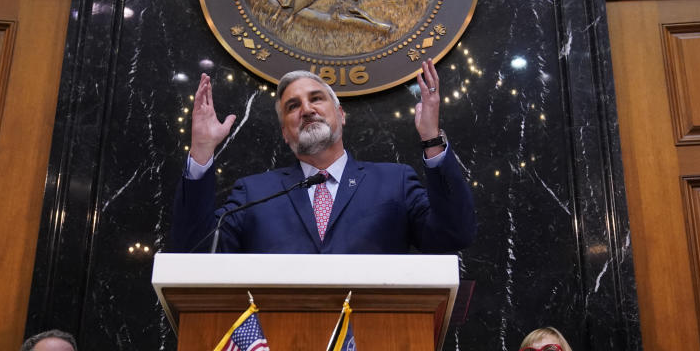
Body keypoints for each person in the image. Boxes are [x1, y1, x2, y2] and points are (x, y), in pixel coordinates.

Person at [169, 59, 476, 253]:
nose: (306, 109)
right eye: (293, 106)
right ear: (285, 134)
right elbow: (193, 252)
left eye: (316, 99)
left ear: (340, 115)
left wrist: (432, 139)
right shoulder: (255, 193)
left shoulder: (394, 182)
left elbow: (452, 237)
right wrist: (202, 150)